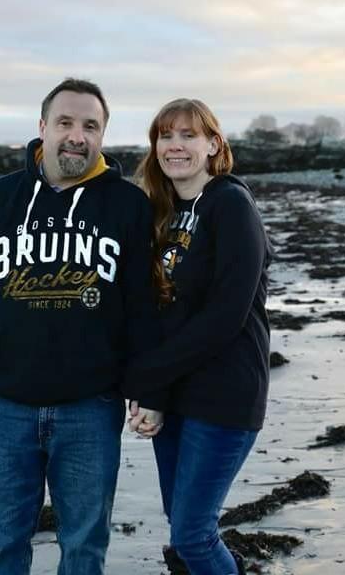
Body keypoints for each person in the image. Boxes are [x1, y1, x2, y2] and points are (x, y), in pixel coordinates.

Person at [0, 78, 163, 575]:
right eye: (65, 122)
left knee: (84, 547)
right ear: (43, 127)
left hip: (91, 409)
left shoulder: (128, 206)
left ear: (103, 134)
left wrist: (144, 388)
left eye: (90, 126)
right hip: (5, 406)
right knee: (3, 544)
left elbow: (143, 308)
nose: (77, 136)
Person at [125, 98, 273, 575]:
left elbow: (224, 317)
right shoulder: (162, 211)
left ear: (213, 144)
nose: (175, 145)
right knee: (181, 525)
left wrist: (147, 380)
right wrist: (155, 395)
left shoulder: (230, 204)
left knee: (193, 534)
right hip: (175, 393)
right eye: (165, 136)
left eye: (188, 135)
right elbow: (159, 313)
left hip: (225, 391)